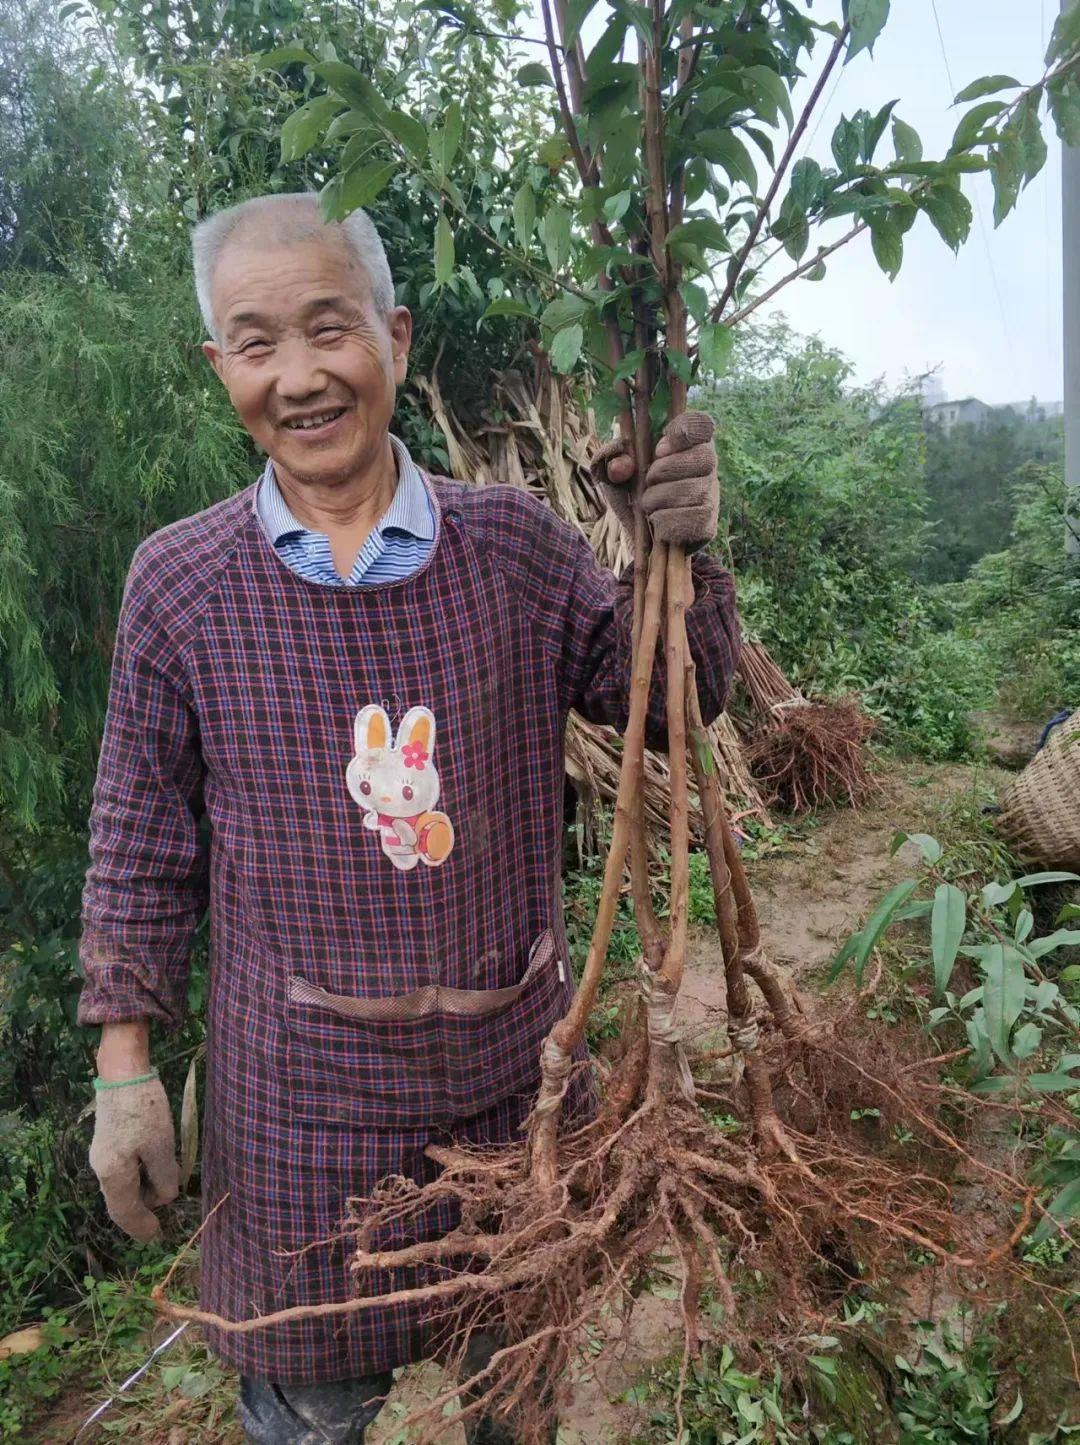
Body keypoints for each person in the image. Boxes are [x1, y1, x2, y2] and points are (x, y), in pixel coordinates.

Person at [78, 192, 740, 1443]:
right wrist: (125, 1072)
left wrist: (685, 552)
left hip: (513, 1095)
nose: (300, 376)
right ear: (218, 366)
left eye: (328, 329)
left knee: (517, 1398)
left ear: (395, 334)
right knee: (309, 1417)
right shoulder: (179, 582)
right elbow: (139, 837)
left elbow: (671, 702)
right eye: (256, 342)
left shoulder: (515, 547)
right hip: (296, 1127)